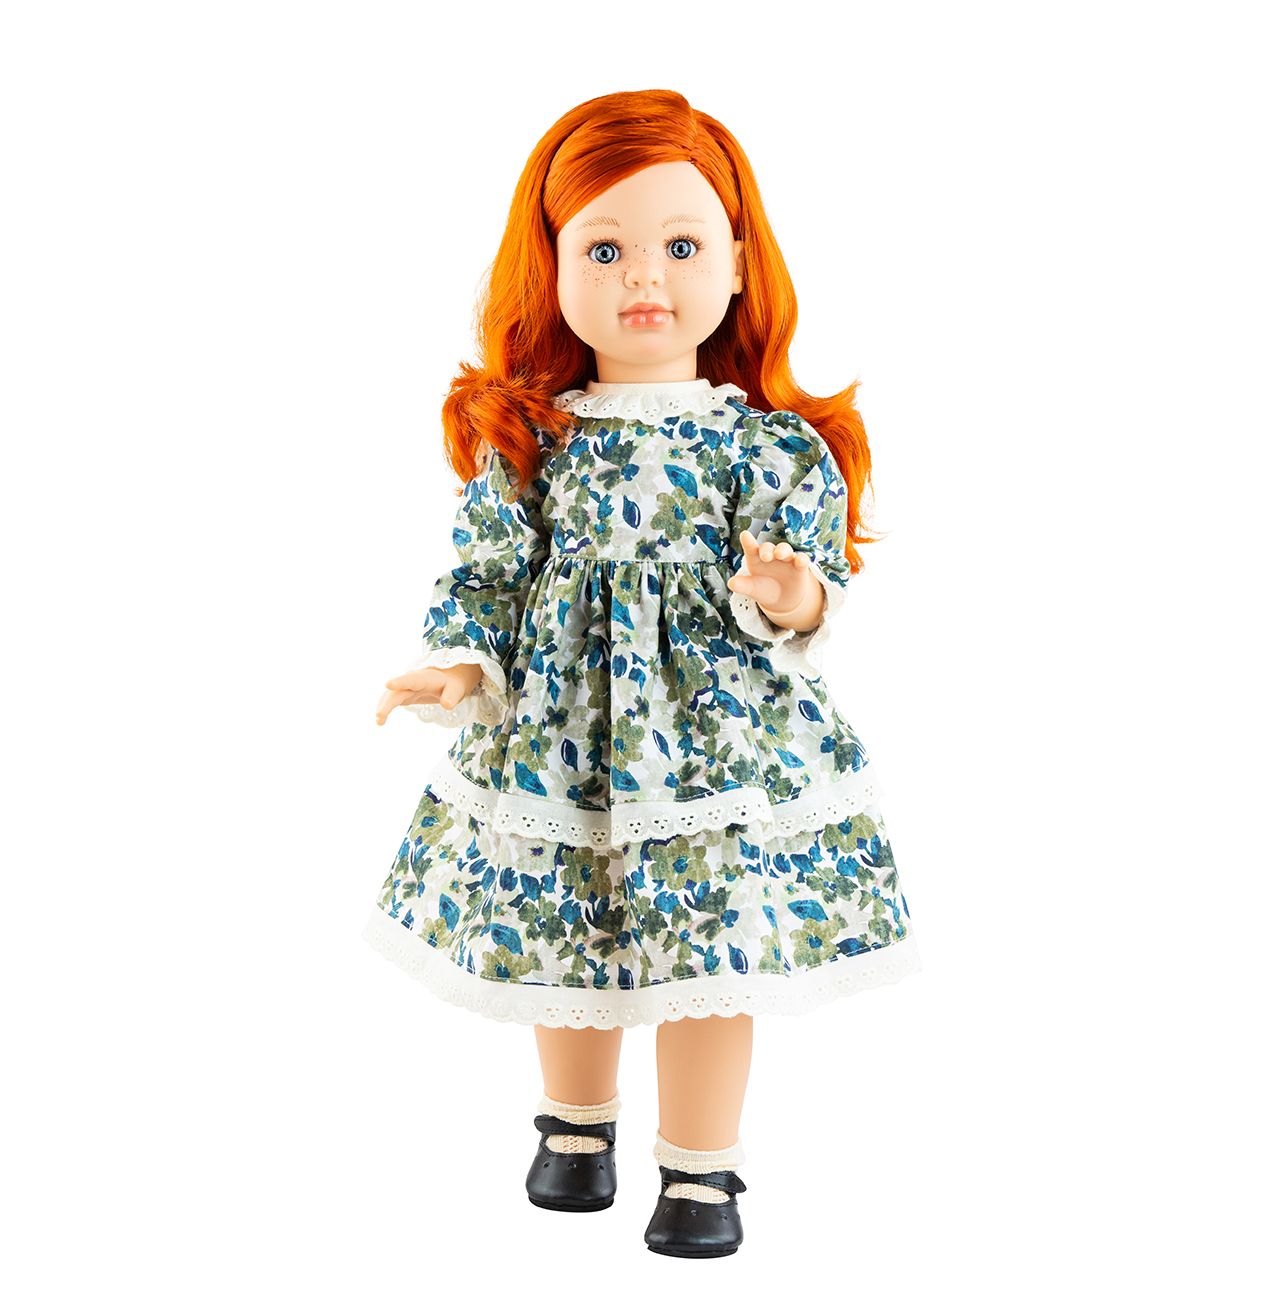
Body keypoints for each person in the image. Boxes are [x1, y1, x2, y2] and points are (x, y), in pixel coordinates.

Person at [368, 88, 922, 1259]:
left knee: (710, 946)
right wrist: (459, 662)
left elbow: (810, 578)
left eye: (680, 245)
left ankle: (700, 1165)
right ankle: (574, 1126)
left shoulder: (759, 441)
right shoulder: (537, 437)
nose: (643, 279)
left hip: (715, 743)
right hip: (561, 732)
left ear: (737, 261)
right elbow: (489, 567)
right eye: (604, 249)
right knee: (568, 922)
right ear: (551, 264)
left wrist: (788, 593)